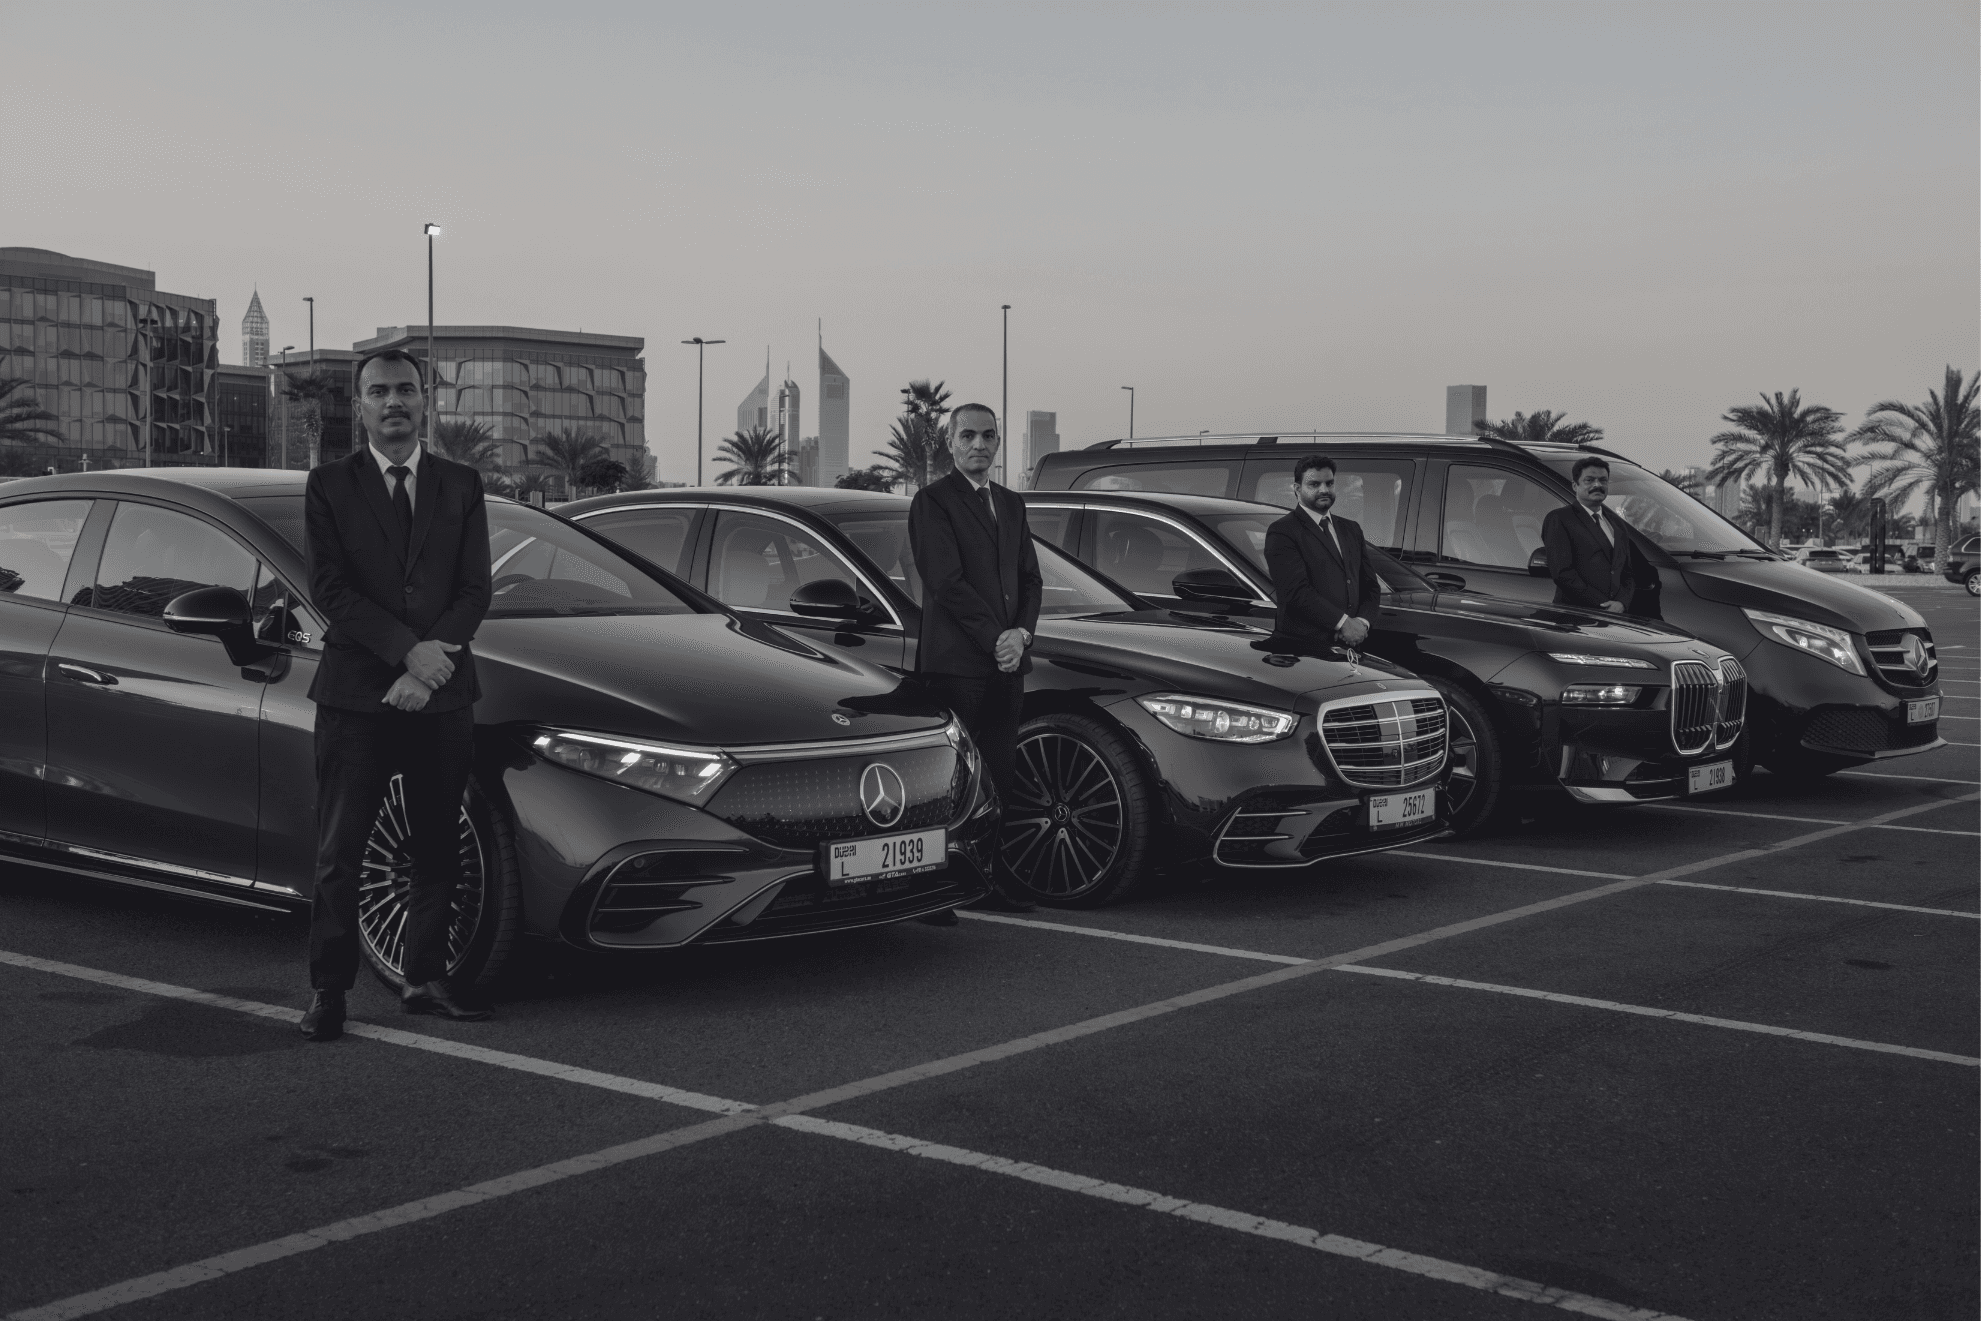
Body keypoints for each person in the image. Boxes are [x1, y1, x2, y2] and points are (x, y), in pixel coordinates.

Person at [299, 348, 493, 1041]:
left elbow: (475, 590)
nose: (393, 402)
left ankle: (423, 977)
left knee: (436, 847)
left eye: (405, 390)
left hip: (440, 697)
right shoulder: (328, 485)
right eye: (378, 391)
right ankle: (328, 989)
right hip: (356, 698)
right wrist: (405, 653)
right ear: (361, 404)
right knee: (339, 852)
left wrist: (426, 669)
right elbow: (330, 592)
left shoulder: (461, 484)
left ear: (425, 400)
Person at [907, 403, 1043, 916]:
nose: (979, 445)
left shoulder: (1011, 503)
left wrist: (1022, 636)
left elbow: (1030, 579)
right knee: (950, 781)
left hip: (1007, 666)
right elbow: (946, 583)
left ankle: (993, 882)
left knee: (999, 778)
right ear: (950, 441)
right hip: (957, 665)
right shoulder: (932, 502)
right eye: (969, 435)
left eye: (989, 436)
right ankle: (936, 889)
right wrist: (998, 638)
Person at [1264, 454, 1383, 649]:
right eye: (1314, 484)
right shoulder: (1282, 532)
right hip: (1303, 650)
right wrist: (1343, 623)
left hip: (1352, 645)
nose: (1324, 490)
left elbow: (1370, 586)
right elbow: (1296, 593)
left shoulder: (1351, 529)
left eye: (1329, 483)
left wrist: (1361, 623)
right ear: (1297, 489)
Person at [1541, 455, 1643, 614]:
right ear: (1575, 485)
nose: (1598, 485)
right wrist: (1603, 605)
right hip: (1575, 618)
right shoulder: (1559, 519)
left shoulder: (1618, 525)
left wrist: (1622, 603)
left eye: (1603, 480)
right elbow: (1562, 574)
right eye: (1589, 480)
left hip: (1617, 619)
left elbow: (1628, 573)